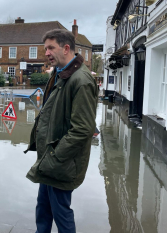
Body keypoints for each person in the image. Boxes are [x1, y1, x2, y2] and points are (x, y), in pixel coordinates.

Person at [24, 29, 98, 233]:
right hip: (50, 158)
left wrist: (55, 157)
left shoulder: (80, 80)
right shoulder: (60, 74)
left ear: (66, 48)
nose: (46, 53)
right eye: (45, 48)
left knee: (61, 213)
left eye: (50, 48)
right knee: (44, 210)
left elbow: (83, 129)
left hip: (60, 161)